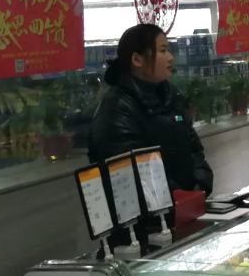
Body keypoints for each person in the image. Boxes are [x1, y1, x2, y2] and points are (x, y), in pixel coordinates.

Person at [89, 24, 213, 194]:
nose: (170, 57)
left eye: (168, 50)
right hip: (154, 208)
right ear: (137, 59)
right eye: (163, 50)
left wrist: (200, 184)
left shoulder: (171, 96)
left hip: (189, 202)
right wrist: (179, 197)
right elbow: (135, 175)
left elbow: (194, 149)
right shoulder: (116, 110)